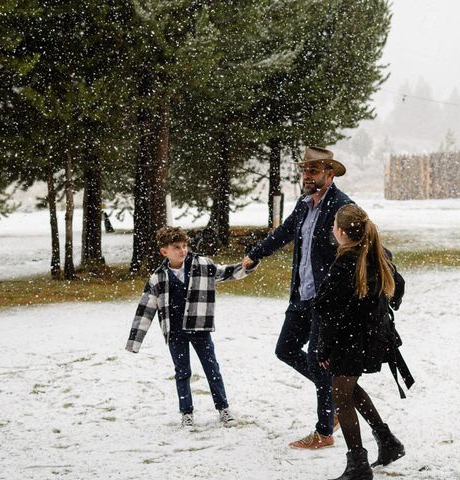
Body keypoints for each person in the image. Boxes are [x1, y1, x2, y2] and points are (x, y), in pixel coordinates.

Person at [241, 146, 353, 448]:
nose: (306, 175)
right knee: (286, 349)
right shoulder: (304, 204)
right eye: (304, 170)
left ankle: (325, 431)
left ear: (329, 174)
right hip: (301, 295)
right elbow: (284, 232)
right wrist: (255, 255)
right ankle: (332, 394)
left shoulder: (342, 208)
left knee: (319, 364)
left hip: (326, 301)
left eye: (313, 171)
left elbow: (361, 246)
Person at [313, 204, 412, 480]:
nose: (333, 228)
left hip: (353, 338)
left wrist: (323, 347)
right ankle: (388, 443)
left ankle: (358, 464)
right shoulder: (379, 254)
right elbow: (398, 287)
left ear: (341, 232)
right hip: (372, 336)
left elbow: (326, 309)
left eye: (334, 225)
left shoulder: (345, 262)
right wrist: (383, 304)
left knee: (341, 392)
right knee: (347, 386)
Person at [126, 226, 257, 428]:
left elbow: (226, 273)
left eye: (185, 246)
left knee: (212, 368)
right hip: (175, 332)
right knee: (182, 372)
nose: (183, 250)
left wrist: (246, 266)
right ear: (164, 252)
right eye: (176, 247)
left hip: (200, 329)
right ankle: (186, 412)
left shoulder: (202, 265)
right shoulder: (157, 278)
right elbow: (145, 310)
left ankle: (223, 409)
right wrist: (134, 342)